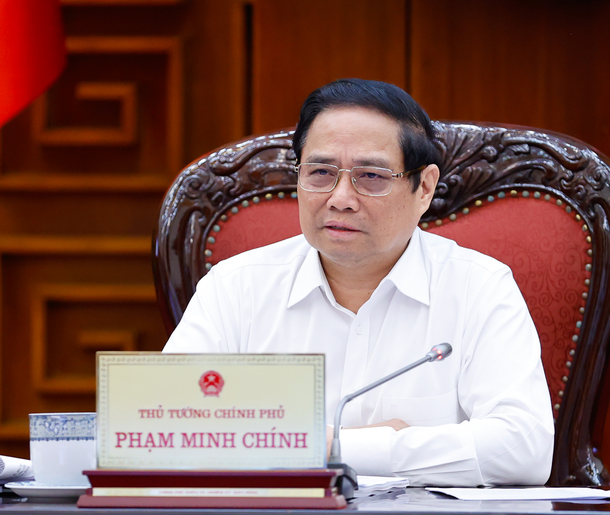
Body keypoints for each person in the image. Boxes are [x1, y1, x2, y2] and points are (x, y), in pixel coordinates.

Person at [163, 79, 554, 486]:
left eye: (370, 176)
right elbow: (166, 433)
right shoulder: (235, 288)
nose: (340, 198)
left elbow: (524, 449)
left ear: (423, 187)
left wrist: (332, 447)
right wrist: (397, 443)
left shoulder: (479, 287)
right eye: (320, 173)